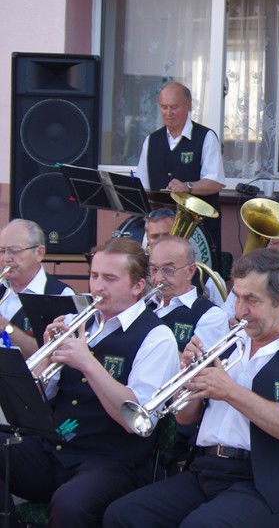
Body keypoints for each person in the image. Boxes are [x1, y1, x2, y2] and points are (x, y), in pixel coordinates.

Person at [103, 248, 279, 527]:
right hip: (206, 470)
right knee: (123, 515)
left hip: (272, 483)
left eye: (252, 300)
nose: (240, 310)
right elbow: (185, 418)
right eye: (237, 297)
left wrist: (229, 390)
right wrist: (189, 378)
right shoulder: (229, 343)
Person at [0, 238, 179, 526]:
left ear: (137, 286)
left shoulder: (157, 337)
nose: (97, 287)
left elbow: (135, 420)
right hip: (56, 450)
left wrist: (87, 362)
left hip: (113, 462)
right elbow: (39, 398)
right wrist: (47, 357)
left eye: (110, 278)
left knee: (70, 504)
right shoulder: (77, 322)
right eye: (94, 276)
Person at [136, 81, 225, 267]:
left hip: (198, 233)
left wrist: (187, 187)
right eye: (164, 107)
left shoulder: (206, 137)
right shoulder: (151, 140)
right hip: (161, 230)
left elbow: (215, 182)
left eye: (174, 107)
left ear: (188, 105)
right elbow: (142, 186)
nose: (168, 113)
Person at [0, 219, 74, 357]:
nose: (6, 258)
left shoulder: (61, 295)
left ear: (39, 253)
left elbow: (54, 354)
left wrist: (5, 327)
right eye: (1, 251)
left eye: (14, 251)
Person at [148, 236, 229, 353]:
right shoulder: (143, 305)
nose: (159, 278)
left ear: (190, 271)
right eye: (154, 269)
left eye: (168, 269)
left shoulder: (212, 316)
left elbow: (198, 362)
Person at [144, 208, 226, 308]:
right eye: (155, 236)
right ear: (147, 239)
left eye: (167, 235)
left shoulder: (207, 279)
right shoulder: (138, 272)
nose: (161, 241)